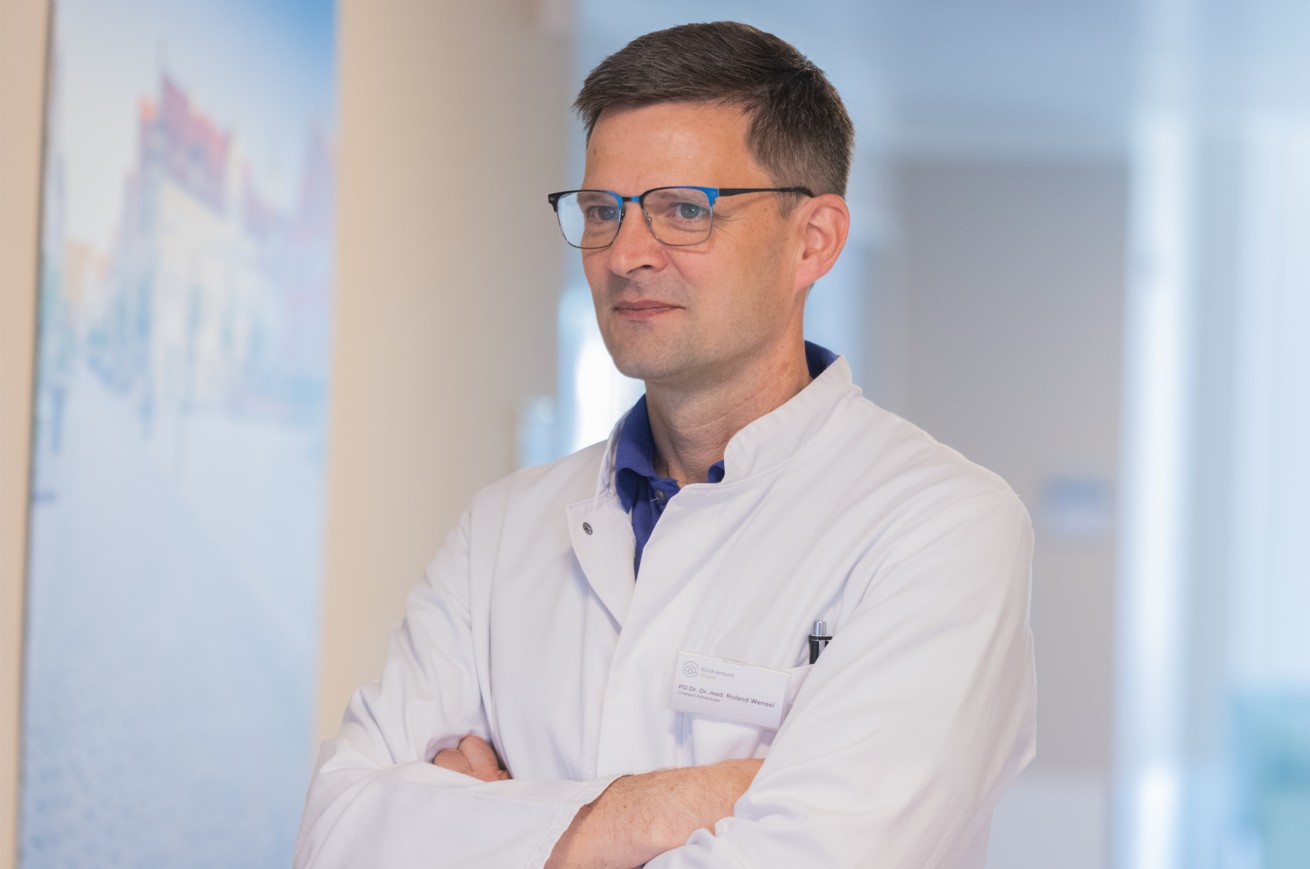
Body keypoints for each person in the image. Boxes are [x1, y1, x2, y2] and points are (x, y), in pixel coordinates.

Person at [295, 20, 1035, 869]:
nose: (626, 254)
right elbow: (334, 835)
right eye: (602, 211)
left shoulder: (942, 528)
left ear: (814, 240)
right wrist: (637, 812)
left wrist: (492, 829)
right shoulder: (501, 529)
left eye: (684, 210)